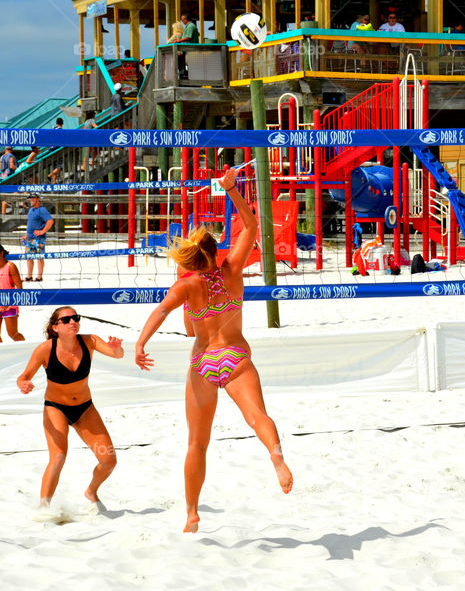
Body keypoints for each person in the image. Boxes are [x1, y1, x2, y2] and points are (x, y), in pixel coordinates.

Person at [135, 167, 293, 532]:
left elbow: (162, 312)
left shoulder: (187, 286)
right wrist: (233, 189)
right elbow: (252, 226)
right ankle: (276, 457)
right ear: (215, 251)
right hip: (235, 357)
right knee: (257, 416)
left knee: (197, 444)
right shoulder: (232, 271)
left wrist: (141, 342)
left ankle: (191, 513)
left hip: (204, 362)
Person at [16, 307, 125, 510]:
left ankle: (91, 491)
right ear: (55, 327)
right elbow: (24, 376)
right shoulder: (45, 349)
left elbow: (117, 354)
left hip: (84, 409)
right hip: (56, 408)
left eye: (75, 318)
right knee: (58, 456)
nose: (73, 322)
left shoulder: (90, 341)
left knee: (109, 461)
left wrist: (117, 349)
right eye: (66, 320)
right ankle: (44, 507)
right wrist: (23, 384)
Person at [22, 193, 53, 283]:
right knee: (29, 257)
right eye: (30, 198)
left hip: (39, 238)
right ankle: (29, 276)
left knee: (39, 257)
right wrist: (26, 235)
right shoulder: (31, 210)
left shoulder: (42, 210)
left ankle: (39, 277)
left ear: (38, 199)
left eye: (33, 198)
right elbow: (30, 224)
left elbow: (50, 221)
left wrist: (42, 231)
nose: (31, 200)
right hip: (30, 238)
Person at [0, 244, 25, 342]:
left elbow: (20, 289)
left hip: (9, 304)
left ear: (1, 253)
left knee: (13, 334)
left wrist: (9, 302)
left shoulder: (10, 266)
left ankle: (26, 349)